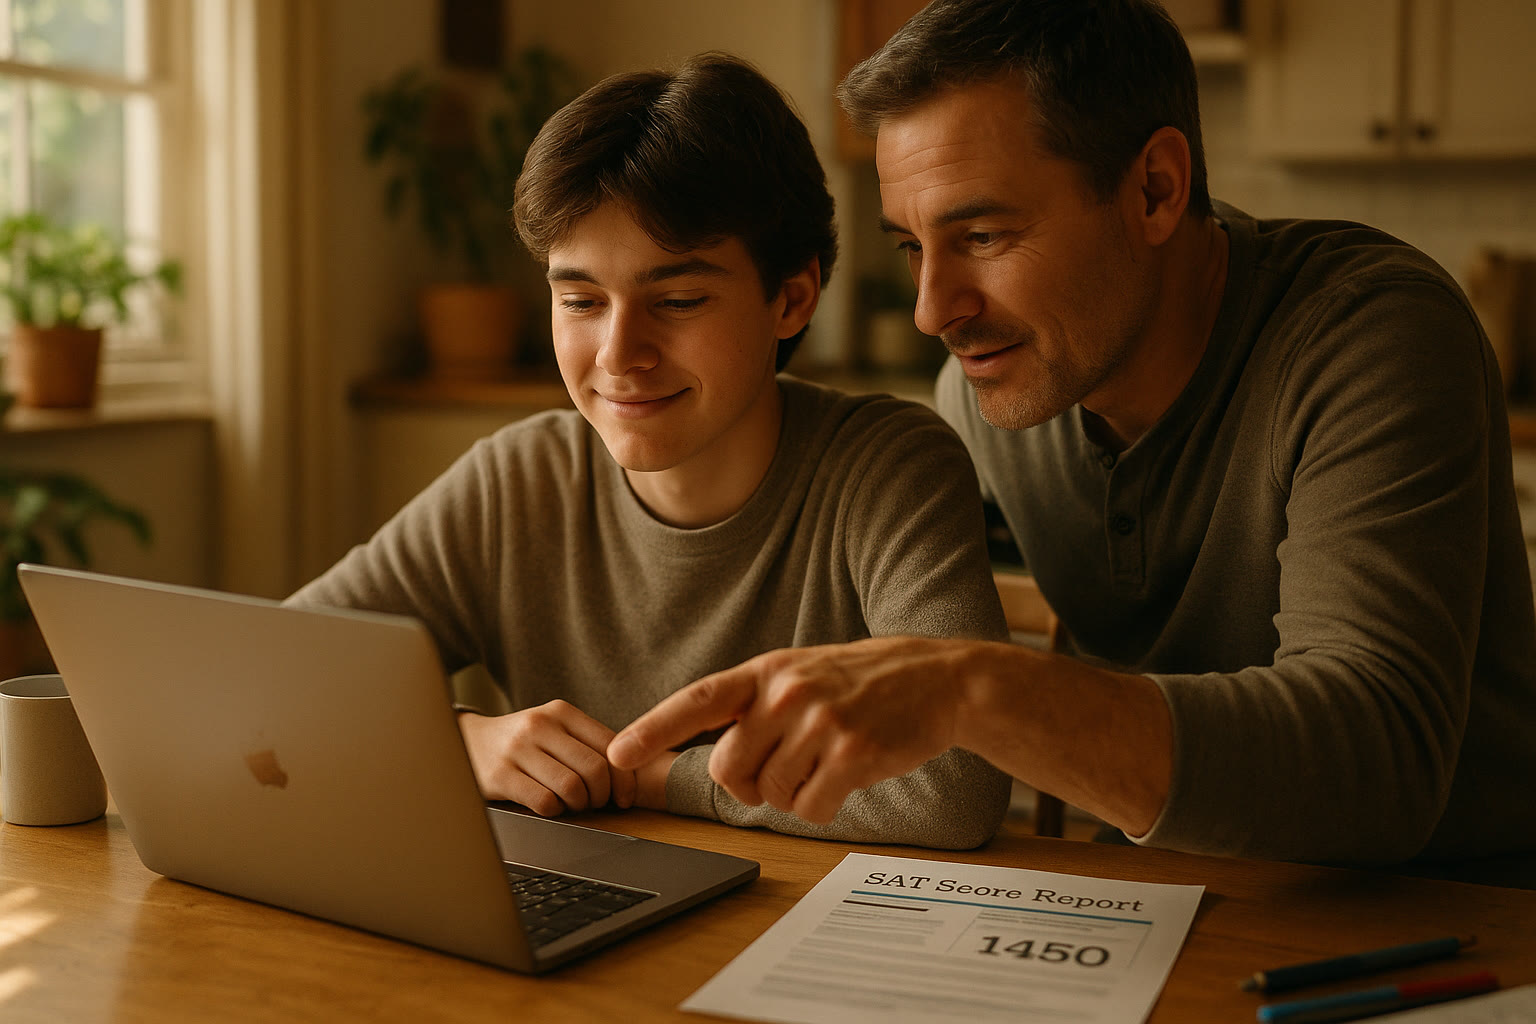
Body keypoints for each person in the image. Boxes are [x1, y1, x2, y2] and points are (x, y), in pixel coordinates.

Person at [609, 0, 1536, 877]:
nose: (935, 310)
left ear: (1156, 189)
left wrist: (969, 687)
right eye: (909, 247)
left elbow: (1378, 763)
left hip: (1452, 917)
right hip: (1157, 897)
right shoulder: (985, 391)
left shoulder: (1370, 334)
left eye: (982, 234)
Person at [288, 52, 1012, 849]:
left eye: (677, 300)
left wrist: (641, 775)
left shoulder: (888, 468)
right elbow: (265, 675)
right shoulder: (518, 480)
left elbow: (955, 786)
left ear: (791, 297)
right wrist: (458, 742)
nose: (617, 354)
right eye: (581, 301)